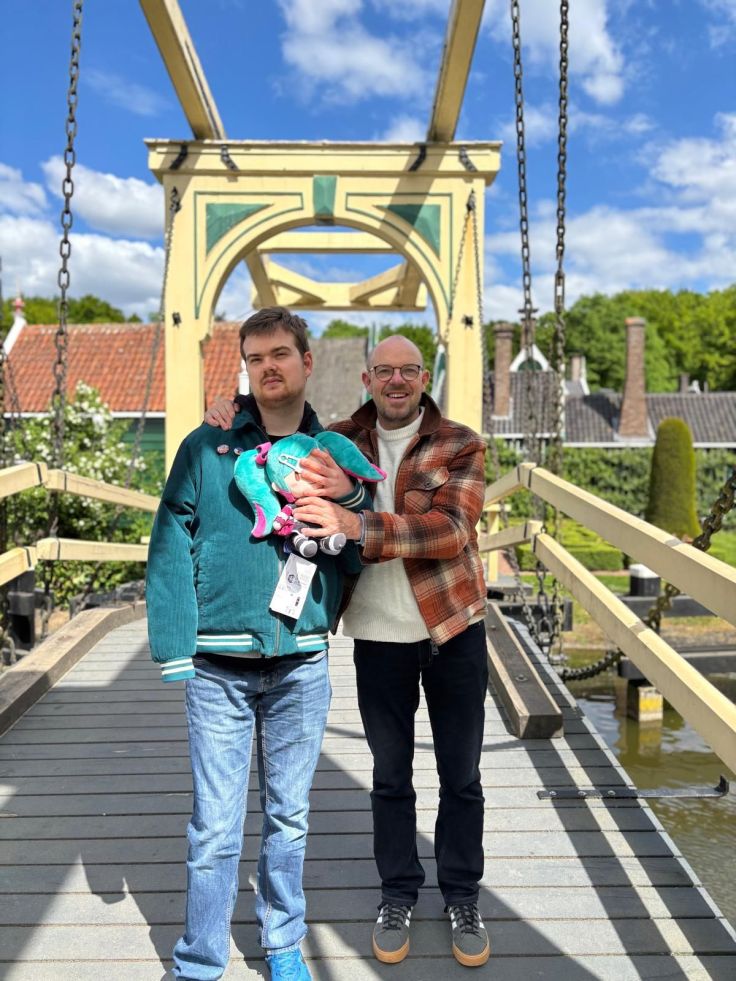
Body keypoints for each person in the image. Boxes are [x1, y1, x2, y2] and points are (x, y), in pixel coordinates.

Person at [205, 333, 490, 968]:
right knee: (389, 777)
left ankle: (463, 895)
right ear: (367, 379)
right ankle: (398, 893)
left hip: (452, 631)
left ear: (425, 377)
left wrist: (357, 522)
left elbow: (451, 530)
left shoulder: (459, 443)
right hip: (377, 637)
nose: (396, 381)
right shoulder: (337, 437)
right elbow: (272, 440)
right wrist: (232, 408)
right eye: (383, 371)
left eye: (408, 370)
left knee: (461, 775)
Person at [146, 307, 370, 981]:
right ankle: (200, 958)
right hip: (218, 665)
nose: (268, 367)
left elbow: (353, 555)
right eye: (255, 357)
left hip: (301, 662)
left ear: (307, 361)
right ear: (245, 368)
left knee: (289, 817)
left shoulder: (330, 456)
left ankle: (282, 942)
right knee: (215, 826)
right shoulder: (207, 445)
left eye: (280, 354)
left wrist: (345, 513)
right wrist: (174, 645)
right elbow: (169, 540)